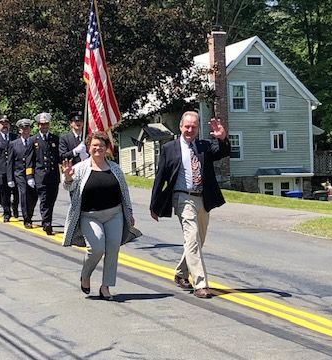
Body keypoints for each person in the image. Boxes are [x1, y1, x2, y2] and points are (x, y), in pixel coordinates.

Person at [150, 111, 231, 299]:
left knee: (198, 241)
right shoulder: (170, 148)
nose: (190, 130)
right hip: (182, 198)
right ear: (180, 126)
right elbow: (160, 176)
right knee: (192, 238)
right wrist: (154, 204)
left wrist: (222, 138)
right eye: (187, 126)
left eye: (194, 127)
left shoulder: (204, 146)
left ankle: (180, 273)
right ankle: (200, 284)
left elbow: (223, 152)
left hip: (203, 198)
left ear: (197, 128)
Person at [62, 131, 140, 300]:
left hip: (115, 214)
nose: (98, 148)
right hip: (89, 216)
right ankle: (85, 275)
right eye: (94, 145)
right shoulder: (80, 168)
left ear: (107, 148)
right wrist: (67, 177)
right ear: (89, 148)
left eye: (102, 146)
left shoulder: (115, 168)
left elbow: (124, 192)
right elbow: (68, 187)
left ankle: (106, 287)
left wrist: (129, 212)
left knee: (112, 250)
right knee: (96, 248)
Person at [26, 112, 60, 235]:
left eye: (46, 124)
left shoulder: (55, 139)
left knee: (52, 200)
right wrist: (30, 176)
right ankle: (47, 223)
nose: (44, 127)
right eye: (41, 124)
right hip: (40, 176)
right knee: (45, 200)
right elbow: (29, 161)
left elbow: (59, 157)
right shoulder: (33, 140)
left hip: (53, 176)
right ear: (38, 125)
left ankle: (47, 221)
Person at [7, 119, 38, 229]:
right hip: (19, 173)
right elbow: (10, 162)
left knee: (33, 196)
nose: (26, 131)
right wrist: (10, 178)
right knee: (24, 193)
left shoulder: (34, 142)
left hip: (32, 173)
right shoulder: (13, 144)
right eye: (23, 129)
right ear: (19, 130)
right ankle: (27, 219)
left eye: (27, 128)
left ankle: (29, 213)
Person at [0, 115, 19, 222]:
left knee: (17, 192)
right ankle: (7, 213)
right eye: (2, 124)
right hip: (1, 170)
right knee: (4, 192)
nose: (4, 126)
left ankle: (15, 207)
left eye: (6, 123)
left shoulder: (15, 137)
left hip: (15, 169)